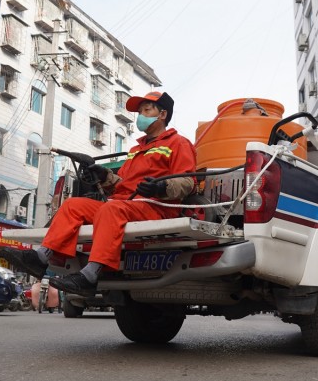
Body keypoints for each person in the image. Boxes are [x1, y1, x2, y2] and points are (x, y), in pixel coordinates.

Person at [13, 91, 197, 296]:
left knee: (111, 209)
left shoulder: (178, 143)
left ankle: (91, 275)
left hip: (155, 207)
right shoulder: (136, 149)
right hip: (126, 204)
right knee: (73, 206)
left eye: (147, 110)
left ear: (162, 114)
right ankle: (41, 258)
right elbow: (123, 185)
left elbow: (188, 181)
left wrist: (161, 187)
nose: (141, 116)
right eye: (140, 112)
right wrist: (103, 176)